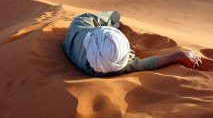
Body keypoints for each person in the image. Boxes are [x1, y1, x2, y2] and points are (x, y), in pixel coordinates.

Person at [63, 11, 202, 77]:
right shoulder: (111, 66)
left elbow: (144, 64)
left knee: (112, 18)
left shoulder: (99, 66)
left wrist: (178, 56)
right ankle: (114, 24)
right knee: (114, 16)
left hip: (80, 29)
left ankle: (113, 24)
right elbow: (146, 64)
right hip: (89, 36)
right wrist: (180, 55)